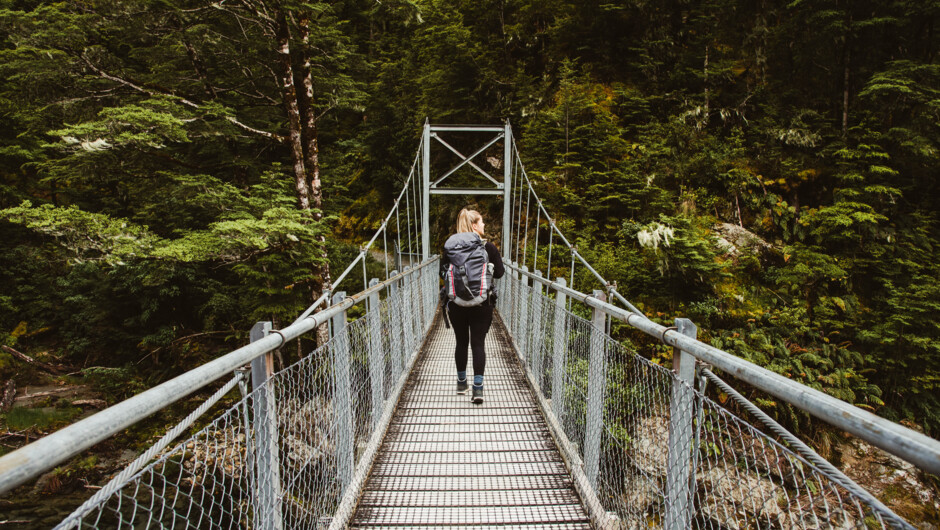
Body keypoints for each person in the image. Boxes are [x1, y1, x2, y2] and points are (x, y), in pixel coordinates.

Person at [441, 208, 504, 404]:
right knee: (478, 343)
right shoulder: (488, 248)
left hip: (457, 303)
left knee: (461, 342)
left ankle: (461, 383)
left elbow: (441, 273)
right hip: (481, 303)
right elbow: (500, 273)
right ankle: (478, 389)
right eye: (482, 222)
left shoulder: (450, 248)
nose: (484, 225)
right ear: (475, 225)